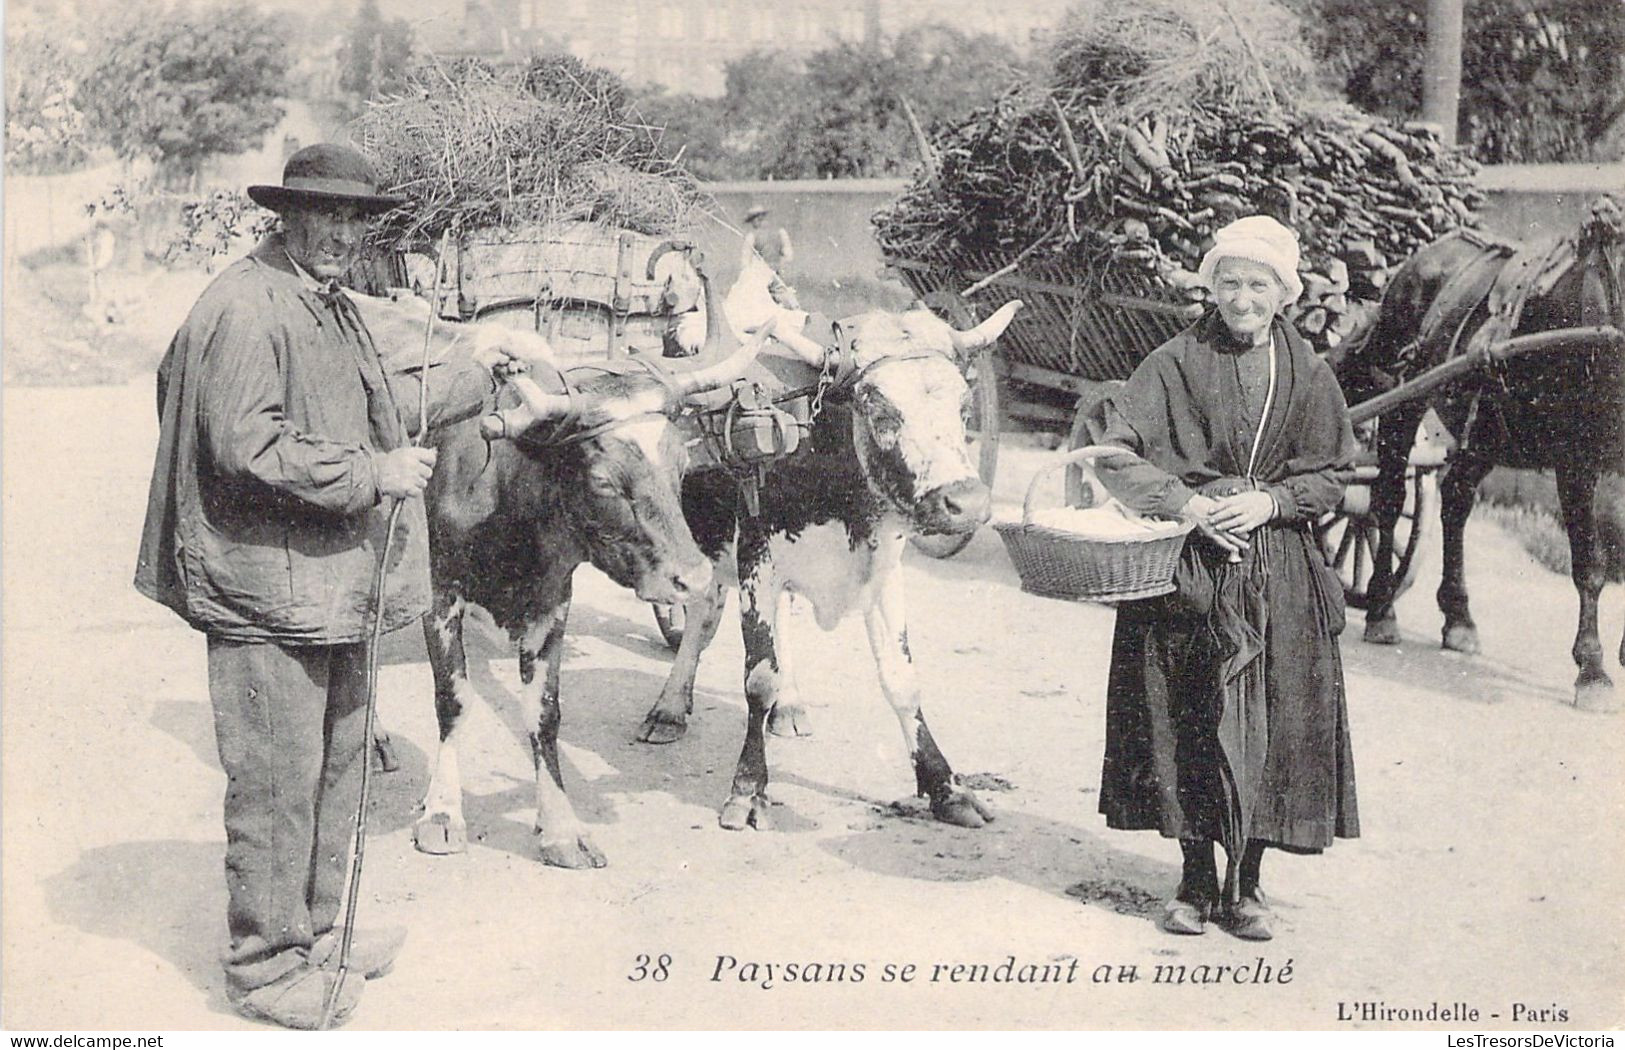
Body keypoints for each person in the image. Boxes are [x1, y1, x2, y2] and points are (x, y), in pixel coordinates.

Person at [133, 144, 528, 1028]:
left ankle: (316, 935)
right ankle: (265, 970)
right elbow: (244, 444)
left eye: (359, 217)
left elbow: (378, 395)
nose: (347, 232)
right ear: (289, 214)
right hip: (263, 589)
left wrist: (479, 374)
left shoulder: (319, 300)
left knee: (336, 763)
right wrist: (369, 474)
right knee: (277, 779)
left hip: (324, 585)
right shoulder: (245, 307)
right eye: (330, 214)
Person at [1083, 215, 1360, 941]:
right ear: (1210, 288)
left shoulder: (1309, 374)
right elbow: (1114, 454)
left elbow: (1332, 472)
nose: (1242, 298)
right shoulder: (1171, 363)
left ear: (1283, 294)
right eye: (1229, 282)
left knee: (1276, 722)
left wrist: (1272, 499)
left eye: (1258, 284)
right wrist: (1187, 504)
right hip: (1191, 571)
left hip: (1281, 574)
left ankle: (1248, 885)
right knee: (1186, 717)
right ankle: (1193, 879)